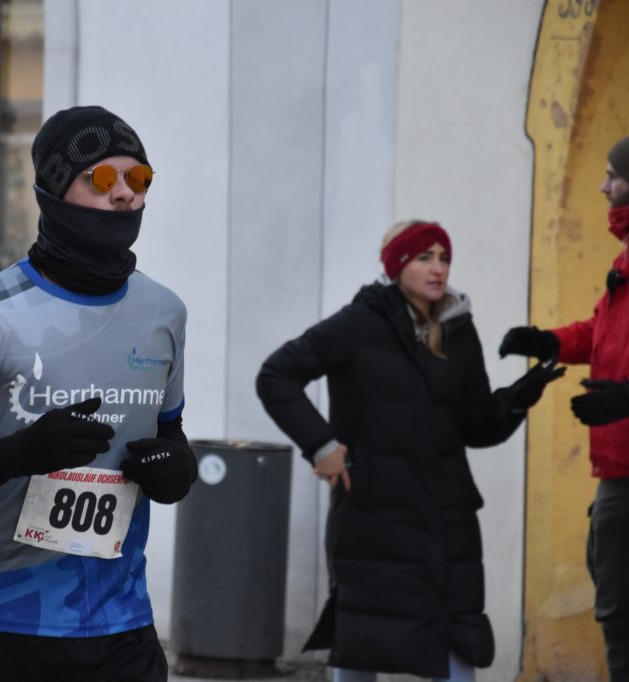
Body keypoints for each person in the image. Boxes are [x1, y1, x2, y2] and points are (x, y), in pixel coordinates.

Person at [0, 105, 195, 682]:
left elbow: (167, 431)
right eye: (102, 178)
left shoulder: (163, 312)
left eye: (138, 177)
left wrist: (178, 466)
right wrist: (21, 453)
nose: (125, 194)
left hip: (119, 628)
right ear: (53, 192)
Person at [256, 220, 563, 682]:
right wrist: (322, 446)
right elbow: (276, 375)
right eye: (424, 258)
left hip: (448, 516)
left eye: (444, 258)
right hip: (373, 513)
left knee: (455, 634)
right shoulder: (358, 323)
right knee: (362, 635)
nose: (438, 268)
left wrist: (517, 399)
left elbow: (474, 426)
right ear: (398, 265)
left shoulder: (459, 329)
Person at [498, 134, 629, 682]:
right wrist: (547, 341)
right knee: (616, 607)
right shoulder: (624, 259)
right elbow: (602, 331)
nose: (602, 186)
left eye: (612, 175)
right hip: (618, 468)